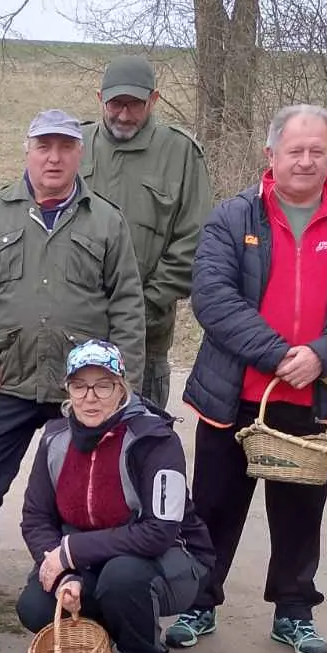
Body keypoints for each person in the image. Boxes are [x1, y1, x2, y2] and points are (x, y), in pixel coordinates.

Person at [168, 104, 327, 653]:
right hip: (234, 395)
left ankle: (294, 611)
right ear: (271, 155)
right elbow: (213, 298)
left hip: (315, 396)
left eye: (317, 151)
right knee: (215, 504)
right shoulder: (232, 216)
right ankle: (199, 602)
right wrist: (276, 353)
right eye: (296, 150)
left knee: (301, 509)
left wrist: (320, 355)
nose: (306, 161)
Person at [0, 108, 145, 622]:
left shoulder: (106, 220)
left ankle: (88, 585)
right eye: (44, 146)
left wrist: (118, 380)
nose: (54, 157)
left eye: (65, 147)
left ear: (79, 154)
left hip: (83, 389)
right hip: (12, 380)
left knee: (92, 488)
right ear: (27, 151)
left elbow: (128, 303)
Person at [16, 340, 213, 653]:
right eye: (79, 386)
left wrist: (71, 553)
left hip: (169, 559)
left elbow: (160, 531)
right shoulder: (55, 438)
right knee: (35, 606)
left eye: (102, 385)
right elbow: (35, 518)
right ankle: (110, 630)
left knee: (122, 578)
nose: (90, 398)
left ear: (122, 388)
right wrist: (66, 574)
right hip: (90, 560)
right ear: (67, 390)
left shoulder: (156, 440)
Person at [81, 57, 213, 408]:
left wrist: (144, 304)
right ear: (100, 99)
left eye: (135, 105)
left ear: (153, 101)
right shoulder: (74, 146)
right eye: (116, 104)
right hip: (76, 333)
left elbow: (194, 240)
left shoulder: (181, 153)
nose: (124, 115)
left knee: (141, 440)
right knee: (74, 445)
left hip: (146, 337)